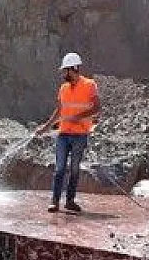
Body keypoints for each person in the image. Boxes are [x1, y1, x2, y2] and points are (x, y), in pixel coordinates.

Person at [35, 52, 101, 214]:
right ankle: (55, 202)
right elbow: (59, 111)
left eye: (66, 71)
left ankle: (70, 201)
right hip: (63, 134)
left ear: (74, 68)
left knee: (75, 169)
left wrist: (78, 117)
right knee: (59, 168)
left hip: (80, 135)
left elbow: (96, 107)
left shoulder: (89, 85)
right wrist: (46, 127)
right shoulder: (63, 88)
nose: (64, 74)